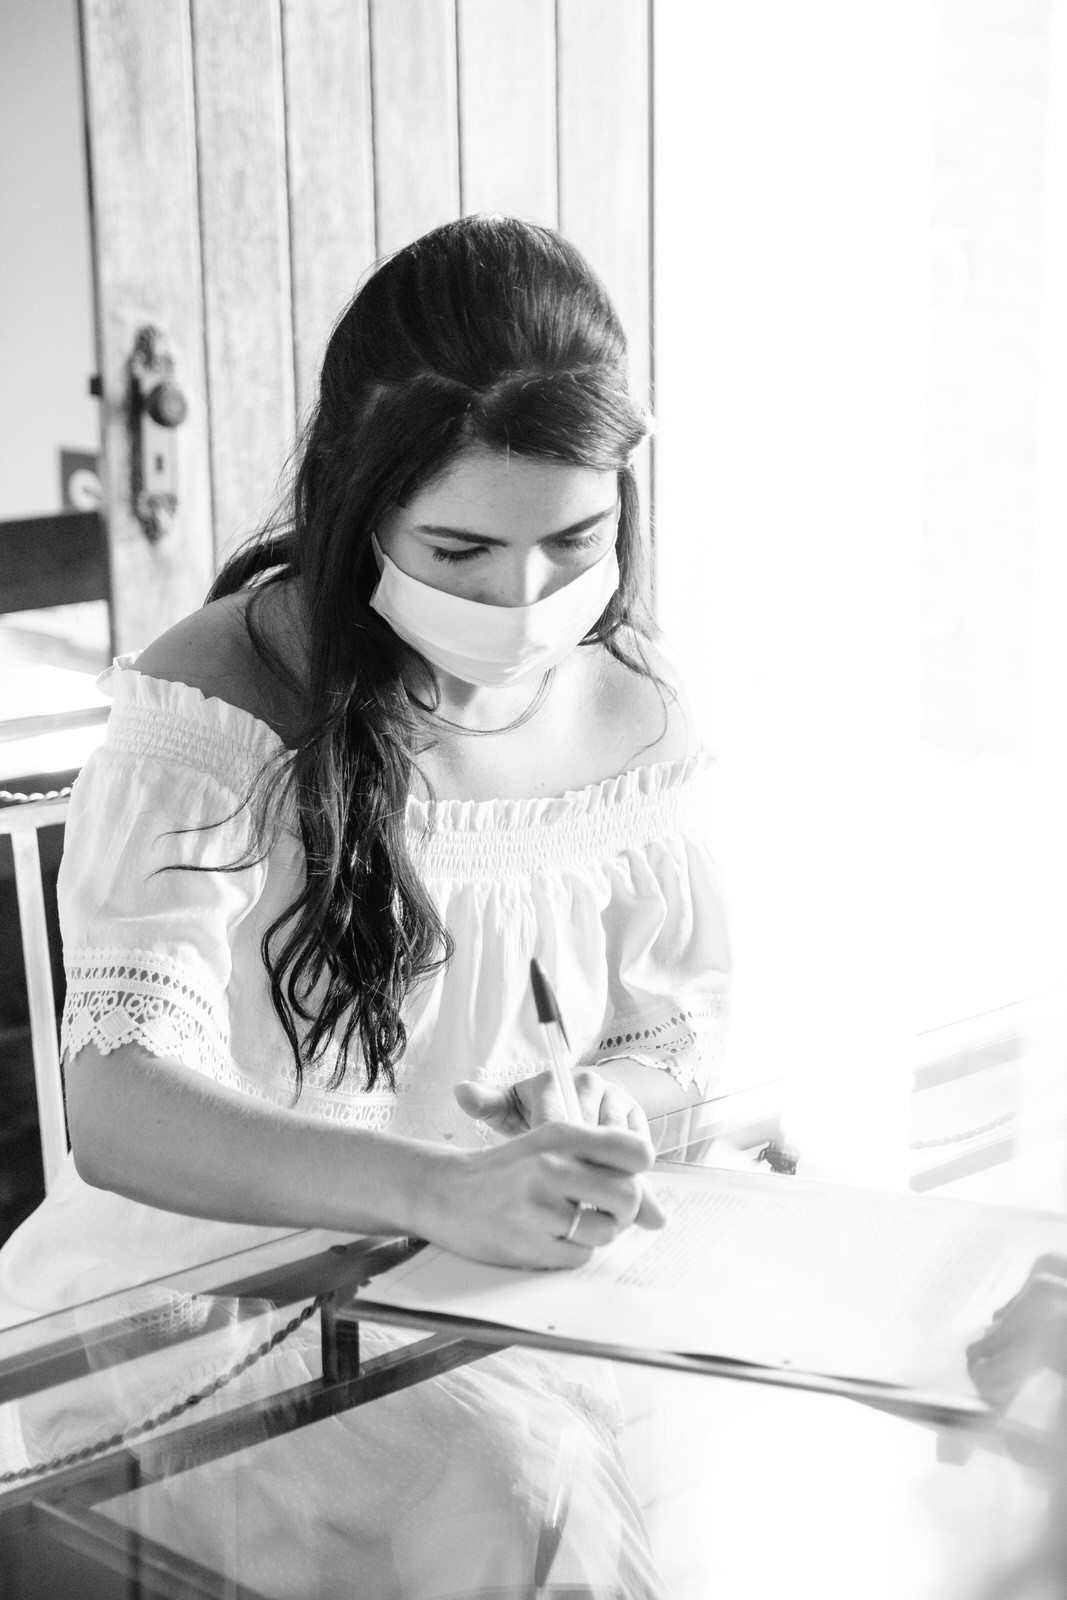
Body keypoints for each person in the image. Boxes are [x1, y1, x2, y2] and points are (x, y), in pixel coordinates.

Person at [1, 214, 731, 1593]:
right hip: (215, 1294)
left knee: (698, 1427)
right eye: (460, 552)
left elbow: (672, 1036)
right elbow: (120, 1102)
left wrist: (603, 1106)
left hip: (482, 1274)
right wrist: (439, 1189)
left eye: (574, 542)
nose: (524, 600)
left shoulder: (634, 708)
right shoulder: (221, 703)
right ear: (359, 504)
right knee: (514, 1479)